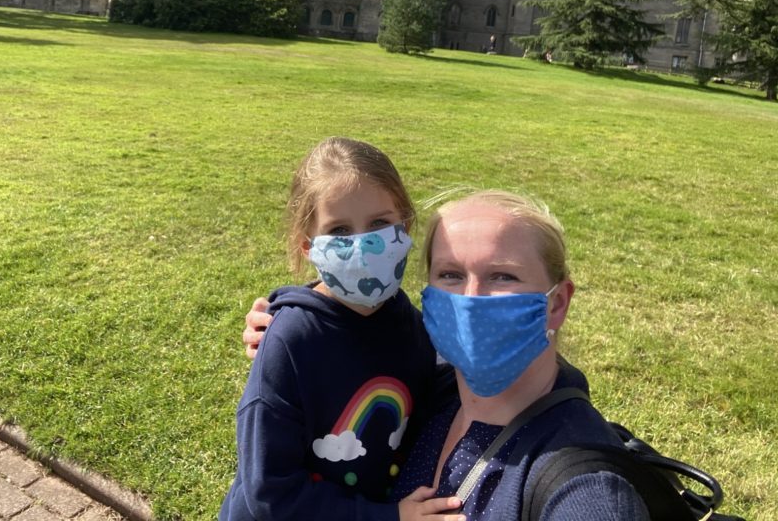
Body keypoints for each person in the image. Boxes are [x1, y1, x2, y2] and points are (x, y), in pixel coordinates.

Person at [244, 190, 650, 520]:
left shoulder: (587, 487)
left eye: (503, 276)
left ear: (556, 303)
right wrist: (289, 323)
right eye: (451, 275)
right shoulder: (436, 382)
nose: (471, 301)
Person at [221, 137, 465, 521]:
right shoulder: (290, 341)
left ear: (405, 226)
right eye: (338, 232)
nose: (362, 245)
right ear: (308, 246)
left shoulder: (412, 326)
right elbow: (269, 494)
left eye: (380, 224)